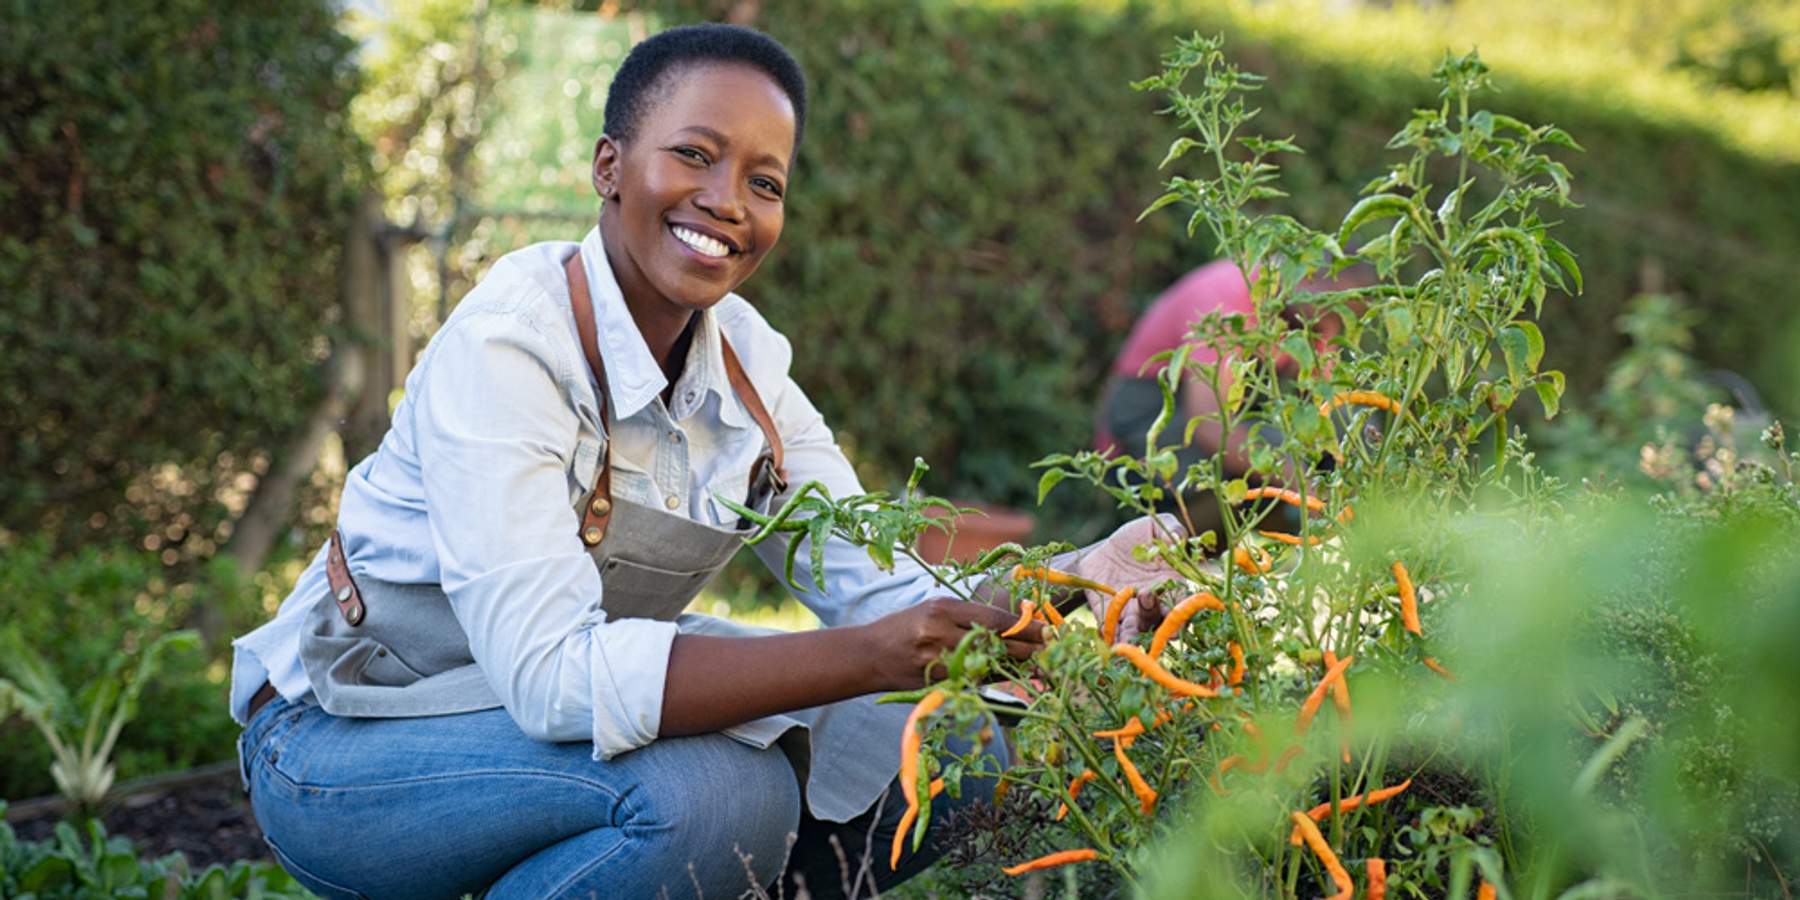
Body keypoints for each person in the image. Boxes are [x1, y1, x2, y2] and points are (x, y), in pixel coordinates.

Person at [231, 24, 1179, 900]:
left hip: (528, 731)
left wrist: (1066, 587)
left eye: (766, 183)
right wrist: (867, 659)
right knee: (717, 799)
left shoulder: (748, 370)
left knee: (967, 747)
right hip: (346, 741)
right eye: (694, 154)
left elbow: (884, 587)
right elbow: (555, 676)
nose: (728, 201)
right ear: (608, 165)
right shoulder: (511, 350)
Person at [1093, 259, 1358, 533]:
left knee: (1322, 440)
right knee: (1273, 456)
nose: (1332, 328)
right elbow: (1208, 424)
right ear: (1308, 280)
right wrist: (1302, 484)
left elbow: (1336, 402)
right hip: (1144, 425)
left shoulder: (1311, 318)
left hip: (1214, 422)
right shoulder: (1225, 301)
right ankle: (1161, 547)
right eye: (1333, 312)